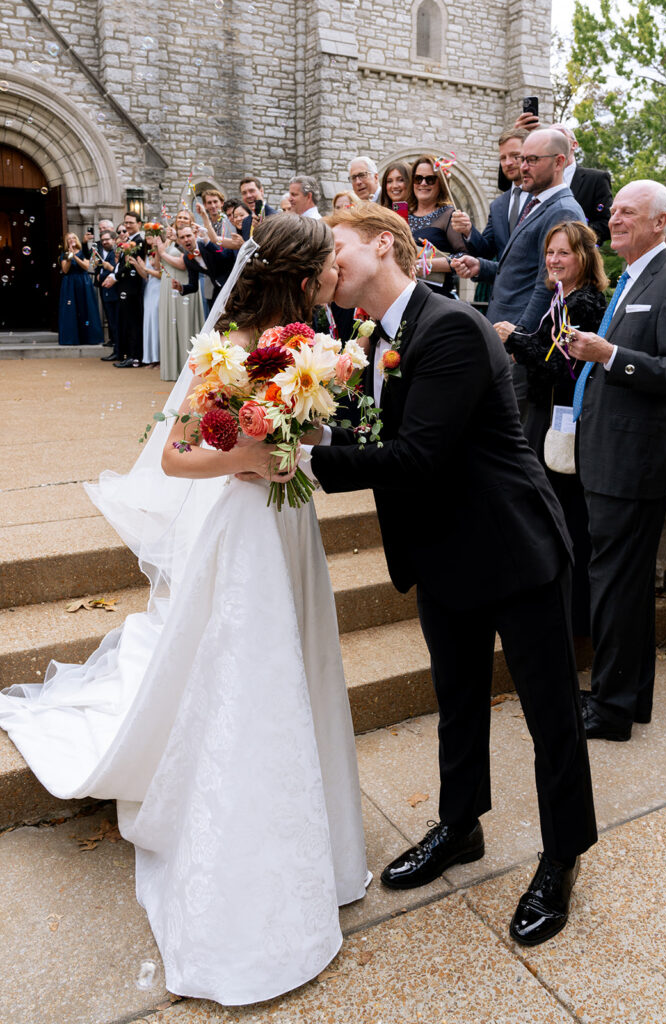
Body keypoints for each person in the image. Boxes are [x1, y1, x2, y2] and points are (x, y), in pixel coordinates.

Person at [0, 214, 369, 1004]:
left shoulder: (316, 344)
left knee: (302, 661)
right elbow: (175, 455)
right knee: (249, 675)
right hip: (239, 533)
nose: (341, 272)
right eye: (331, 263)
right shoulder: (227, 350)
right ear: (303, 276)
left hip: (289, 525)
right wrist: (248, 454)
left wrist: (295, 444)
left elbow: (305, 436)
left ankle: (325, 848)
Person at [309, 203, 597, 947]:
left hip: (512, 548)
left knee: (549, 716)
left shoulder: (449, 328)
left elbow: (415, 458)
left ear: (383, 244)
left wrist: (303, 461)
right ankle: (459, 826)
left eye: (334, 246)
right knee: (457, 700)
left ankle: (561, 856)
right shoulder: (368, 333)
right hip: (439, 551)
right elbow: (370, 429)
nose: (327, 260)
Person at [568, 180, 666, 741]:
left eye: (627, 213)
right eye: (613, 212)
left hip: (632, 461)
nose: (613, 220)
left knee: (613, 581)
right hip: (607, 454)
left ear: (660, 223)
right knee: (623, 584)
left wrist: (608, 354)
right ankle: (626, 701)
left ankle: (609, 707)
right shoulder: (635, 276)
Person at [496, 220, 608, 635]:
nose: (554, 260)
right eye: (550, 252)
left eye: (563, 252)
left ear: (584, 257)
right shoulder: (561, 296)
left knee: (566, 517)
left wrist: (513, 339)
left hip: (564, 422)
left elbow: (560, 368)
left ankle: (574, 615)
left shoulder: (585, 302)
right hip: (546, 415)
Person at [452, 129, 584, 410]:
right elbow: (517, 269)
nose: (522, 167)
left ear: (559, 162)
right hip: (502, 335)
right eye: (522, 159)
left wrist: (519, 340)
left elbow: (547, 283)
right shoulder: (535, 204)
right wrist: (481, 267)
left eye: (532, 160)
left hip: (519, 347)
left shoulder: (562, 211)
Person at [451, 127, 531, 284]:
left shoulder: (542, 198)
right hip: (501, 295)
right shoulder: (498, 205)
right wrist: (468, 230)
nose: (508, 163)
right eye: (503, 158)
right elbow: (485, 251)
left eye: (515, 156)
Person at [408, 155, 464, 295]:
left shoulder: (449, 215)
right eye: (418, 178)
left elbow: (463, 257)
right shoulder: (404, 213)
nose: (423, 183)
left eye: (430, 179)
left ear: (441, 183)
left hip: (434, 296)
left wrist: (425, 265)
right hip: (404, 293)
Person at [157, 220, 204, 381]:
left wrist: (163, 253)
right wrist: (182, 288)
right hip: (175, 285)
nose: (186, 239)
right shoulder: (183, 250)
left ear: (195, 234)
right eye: (182, 236)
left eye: (188, 235)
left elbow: (183, 265)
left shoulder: (200, 248)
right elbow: (192, 285)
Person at [58, 232, 104, 346]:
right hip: (70, 284)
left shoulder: (83, 252)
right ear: (66, 241)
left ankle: (88, 337)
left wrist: (75, 257)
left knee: (86, 308)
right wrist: (69, 257)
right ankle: (72, 338)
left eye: (73, 237)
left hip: (83, 282)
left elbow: (86, 266)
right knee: (71, 309)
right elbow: (65, 270)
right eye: (69, 238)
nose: (71, 240)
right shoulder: (64, 254)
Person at [114, 211, 146, 368]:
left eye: (130, 222)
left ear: (139, 223)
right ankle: (129, 354)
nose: (127, 225)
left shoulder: (139, 242)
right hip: (125, 288)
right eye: (125, 222)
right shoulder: (129, 241)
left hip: (133, 289)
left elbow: (131, 266)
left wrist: (114, 277)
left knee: (134, 323)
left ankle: (135, 356)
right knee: (128, 322)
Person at [132, 239, 162, 367]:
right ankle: (151, 358)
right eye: (148, 235)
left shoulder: (160, 252)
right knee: (149, 323)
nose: (150, 238)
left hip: (159, 288)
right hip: (149, 289)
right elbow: (145, 275)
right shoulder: (148, 253)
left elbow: (161, 274)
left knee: (157, 322)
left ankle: (160, 358)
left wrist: (145, 268)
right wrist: (137, 265)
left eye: (152, 234)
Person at [98, 229, 122, 361]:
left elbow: (116, 271)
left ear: (114, 239)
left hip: (114, 294)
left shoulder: (114, 254)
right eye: (102, 240)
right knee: (113, 324)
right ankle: (116, 350)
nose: (104, 242)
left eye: (107, 239)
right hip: (107, 293)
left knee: (116, 324)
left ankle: (118, 351)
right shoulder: (104, 254)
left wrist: (105, 270)